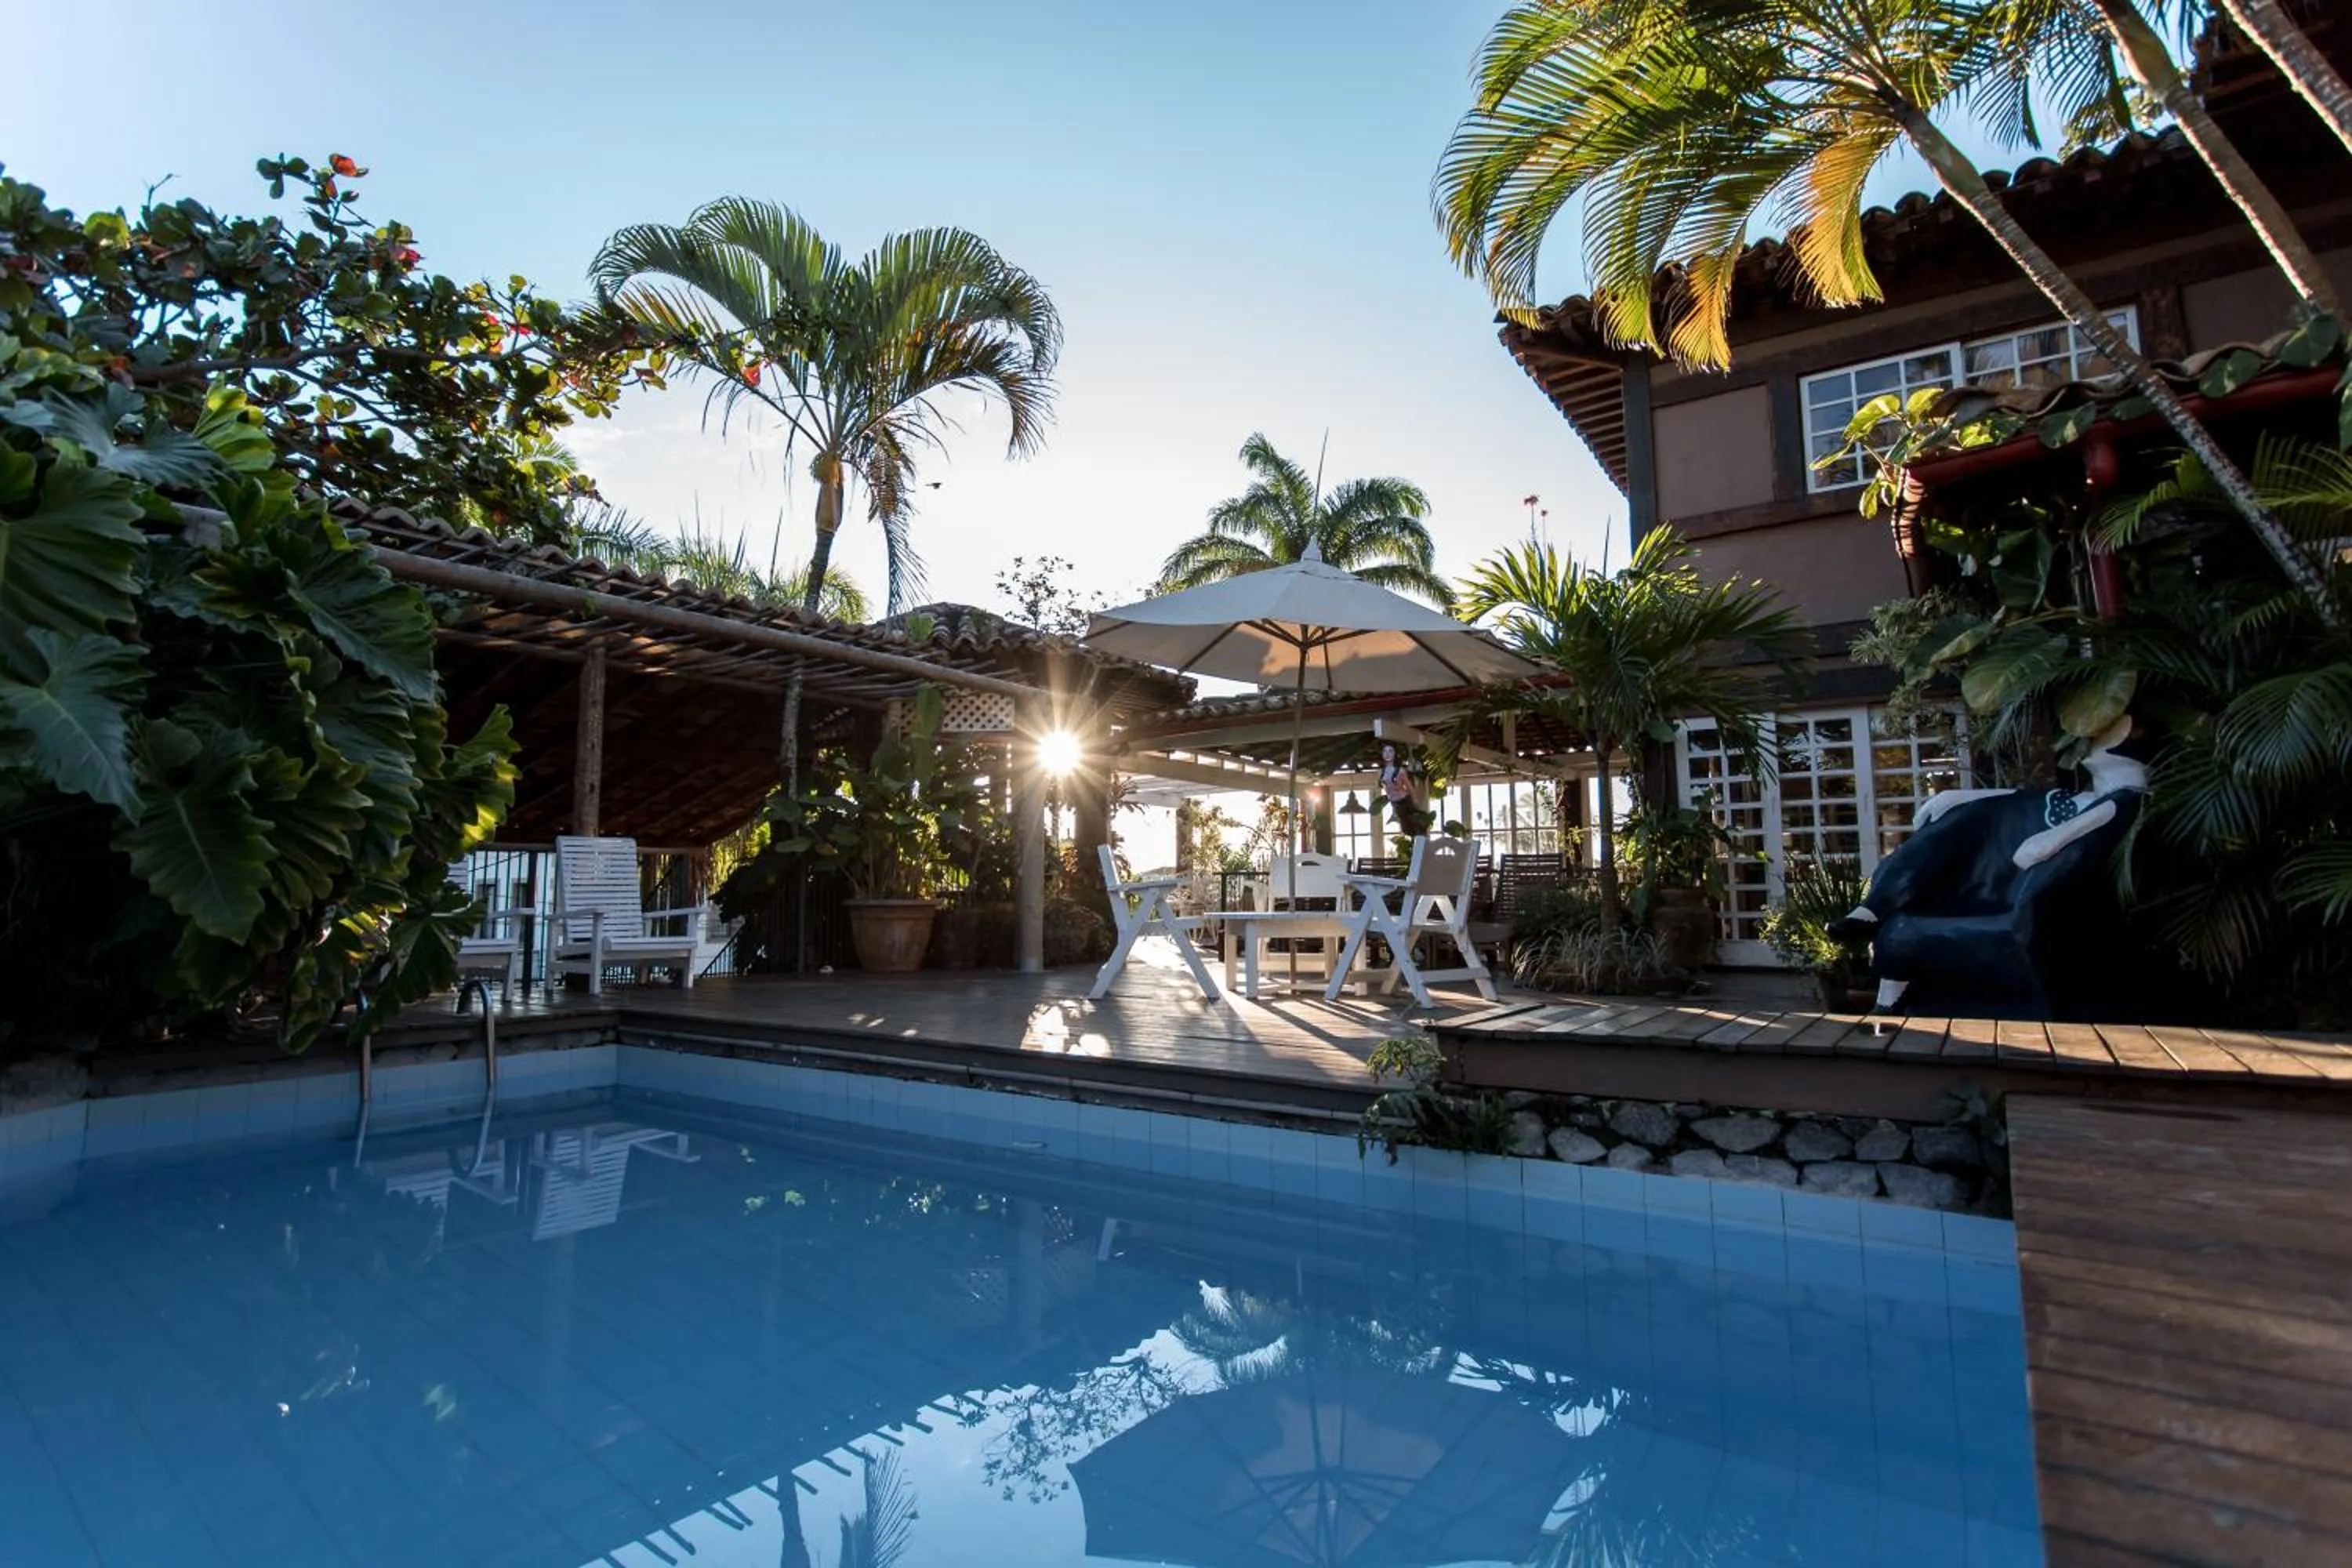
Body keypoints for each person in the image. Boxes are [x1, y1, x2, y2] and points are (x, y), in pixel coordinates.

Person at [1829, 716, 2152, 1016]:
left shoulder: (2124, 801)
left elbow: (2063, 836)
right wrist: (1959, 797)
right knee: (1951, 825)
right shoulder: (2081, 797)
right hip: (2001, 873)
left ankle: (1888, 987)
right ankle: (1871, 909)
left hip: (2030, 900)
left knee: (1901, 931)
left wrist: (2046, 843)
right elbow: (2019, 798)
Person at [1377, 742, 1433, 837]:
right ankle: (1419, 838)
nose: (1387, 754)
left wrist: (1414, 798)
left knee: (1410, 826)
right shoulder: (1380, 772)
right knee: (1406, 827)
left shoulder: (1400, 770)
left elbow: (1409, 786)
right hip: (1394, 801)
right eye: (1385, 751)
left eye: (1390, 751)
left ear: (1395, 754)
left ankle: (1422, 836)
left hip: (1404, 799)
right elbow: (1384, 786)